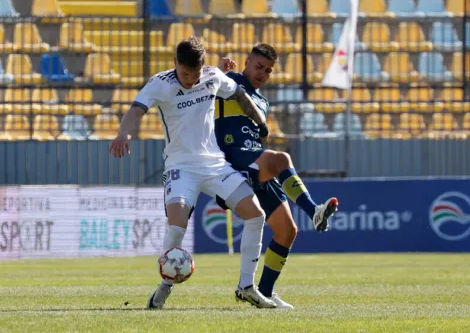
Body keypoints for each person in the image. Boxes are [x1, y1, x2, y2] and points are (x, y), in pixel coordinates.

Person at [109, 37, 277, 309]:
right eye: (185, 73)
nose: (190, 79)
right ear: (175, 63)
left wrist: (260, 121)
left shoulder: (212, 76)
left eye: (195, 74)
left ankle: (247, 286)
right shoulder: (160, 82)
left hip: (214, 165)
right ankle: (166, 284)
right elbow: (136, 110)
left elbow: (239, 95)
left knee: (256, 215)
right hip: (180, 167)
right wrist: (123, 133)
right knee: (176, 228)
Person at [215, 44, 339, 309]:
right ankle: (314, 210)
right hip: (233, 159)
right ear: (246, 62)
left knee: (287, 231)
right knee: (281, 158)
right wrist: (218, 69)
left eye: (268, 70)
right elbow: (201, 86)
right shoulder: (230, 82)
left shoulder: (263, 102)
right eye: (259, 67)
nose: (262, 73)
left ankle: (265, 294)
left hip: (256, 161)